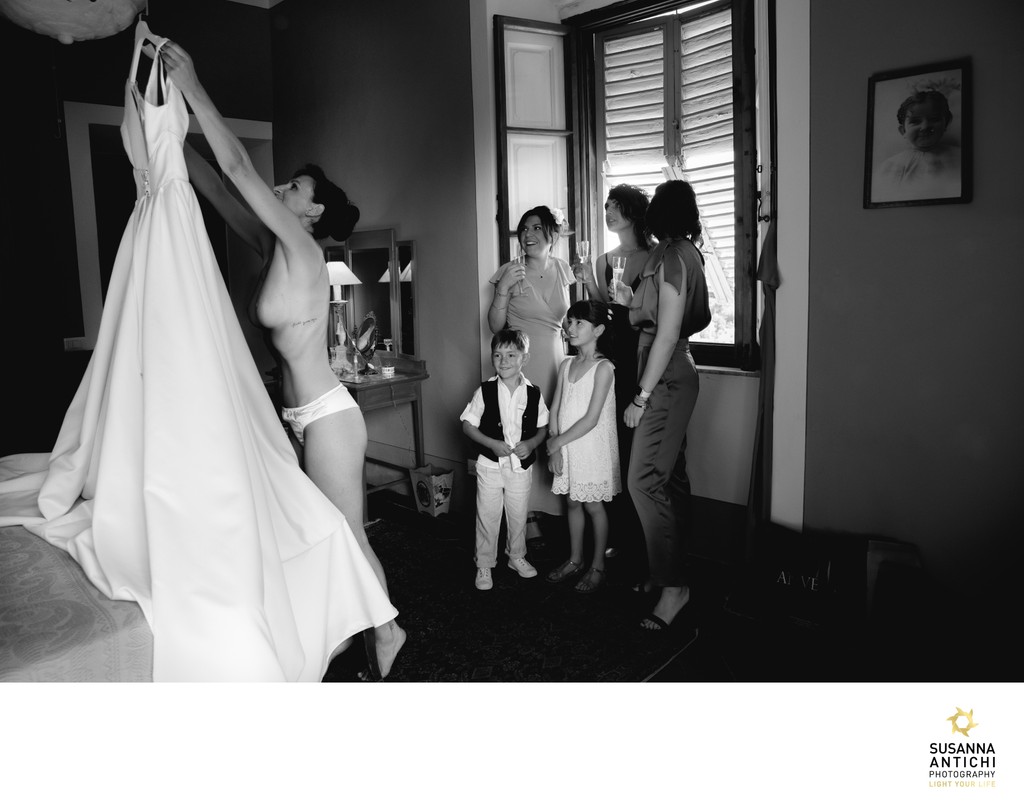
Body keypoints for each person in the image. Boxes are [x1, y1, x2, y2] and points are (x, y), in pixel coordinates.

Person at [161, 41, 405, 679]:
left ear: (313, 210)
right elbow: (216, 185)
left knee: (345, 534)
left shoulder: (300, 246)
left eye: (294, 185)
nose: (282, 186)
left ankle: (388, 630)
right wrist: (165, 120)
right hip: (295, 413)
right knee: (308, 532)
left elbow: (238, 167)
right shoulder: (274, 245)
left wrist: (193, 86)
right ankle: (344, 628)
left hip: (327, 415)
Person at [613, 180, 710, 631]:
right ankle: (665, 570)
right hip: (670, 369)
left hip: (666, 373)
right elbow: (660, 316)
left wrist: (641, 397)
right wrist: (630, 304)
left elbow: (667, 333)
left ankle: (675, 587)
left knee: (643, 481)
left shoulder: (672, 254)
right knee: (670, 478)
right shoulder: (682, 251)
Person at [571, 185, 653, 568]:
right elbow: (603, 314)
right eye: (606, 206)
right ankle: (617, 536)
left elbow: (655, 315)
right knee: (614, 442)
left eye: (616, 206)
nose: (608, 211)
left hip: (644, 358)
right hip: (611, 359)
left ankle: (645, 540)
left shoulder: (655, 257)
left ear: (635, 212)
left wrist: (632, 305)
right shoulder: (603, 260)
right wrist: (587, 280)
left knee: (640, 448)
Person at [488, 205, 573, 534]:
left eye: (536, 228)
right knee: (521, 433)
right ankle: (524, 519)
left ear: (551, 234)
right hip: (521, 363)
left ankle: (554, 512)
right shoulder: (509, 270)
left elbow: (569, 320)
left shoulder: (564, 269)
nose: (528, 234)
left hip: (556, 362)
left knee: (553, 432)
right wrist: (503, 288)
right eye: (524, 229)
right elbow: (495, 327)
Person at [460, 329, 549, 591]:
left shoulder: (533, 393)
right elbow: (468, 425)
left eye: (511, 354)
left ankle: (516, 556)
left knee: (518, 514)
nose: (504, 360)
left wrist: (532, 444)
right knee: (487, 515)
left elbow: (543, 427)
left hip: (520, 467)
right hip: (489, 465)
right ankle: (485, 563)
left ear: (525, 358)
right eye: (498, 355)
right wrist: (491, 444)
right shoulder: (485, 390)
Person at [545, 300, 620, 593]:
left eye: (579, 323)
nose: (570, 328)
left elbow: (590, 420)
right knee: (572, 502)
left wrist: (555, 444)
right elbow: (555, 408)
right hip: (566, 448)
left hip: (590, 450)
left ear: (598, 330)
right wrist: (557, 446)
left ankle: (598, 566)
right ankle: (575, 559)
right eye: (569, 321)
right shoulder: (566, 365)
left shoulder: (604, 368)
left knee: (592, 505)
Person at [874, 89, 961, 202]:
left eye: (934, 119)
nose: (925, 126)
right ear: (903, 130)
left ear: (945, 124)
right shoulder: (891, 165)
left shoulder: (960, 157)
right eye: (915, 121)